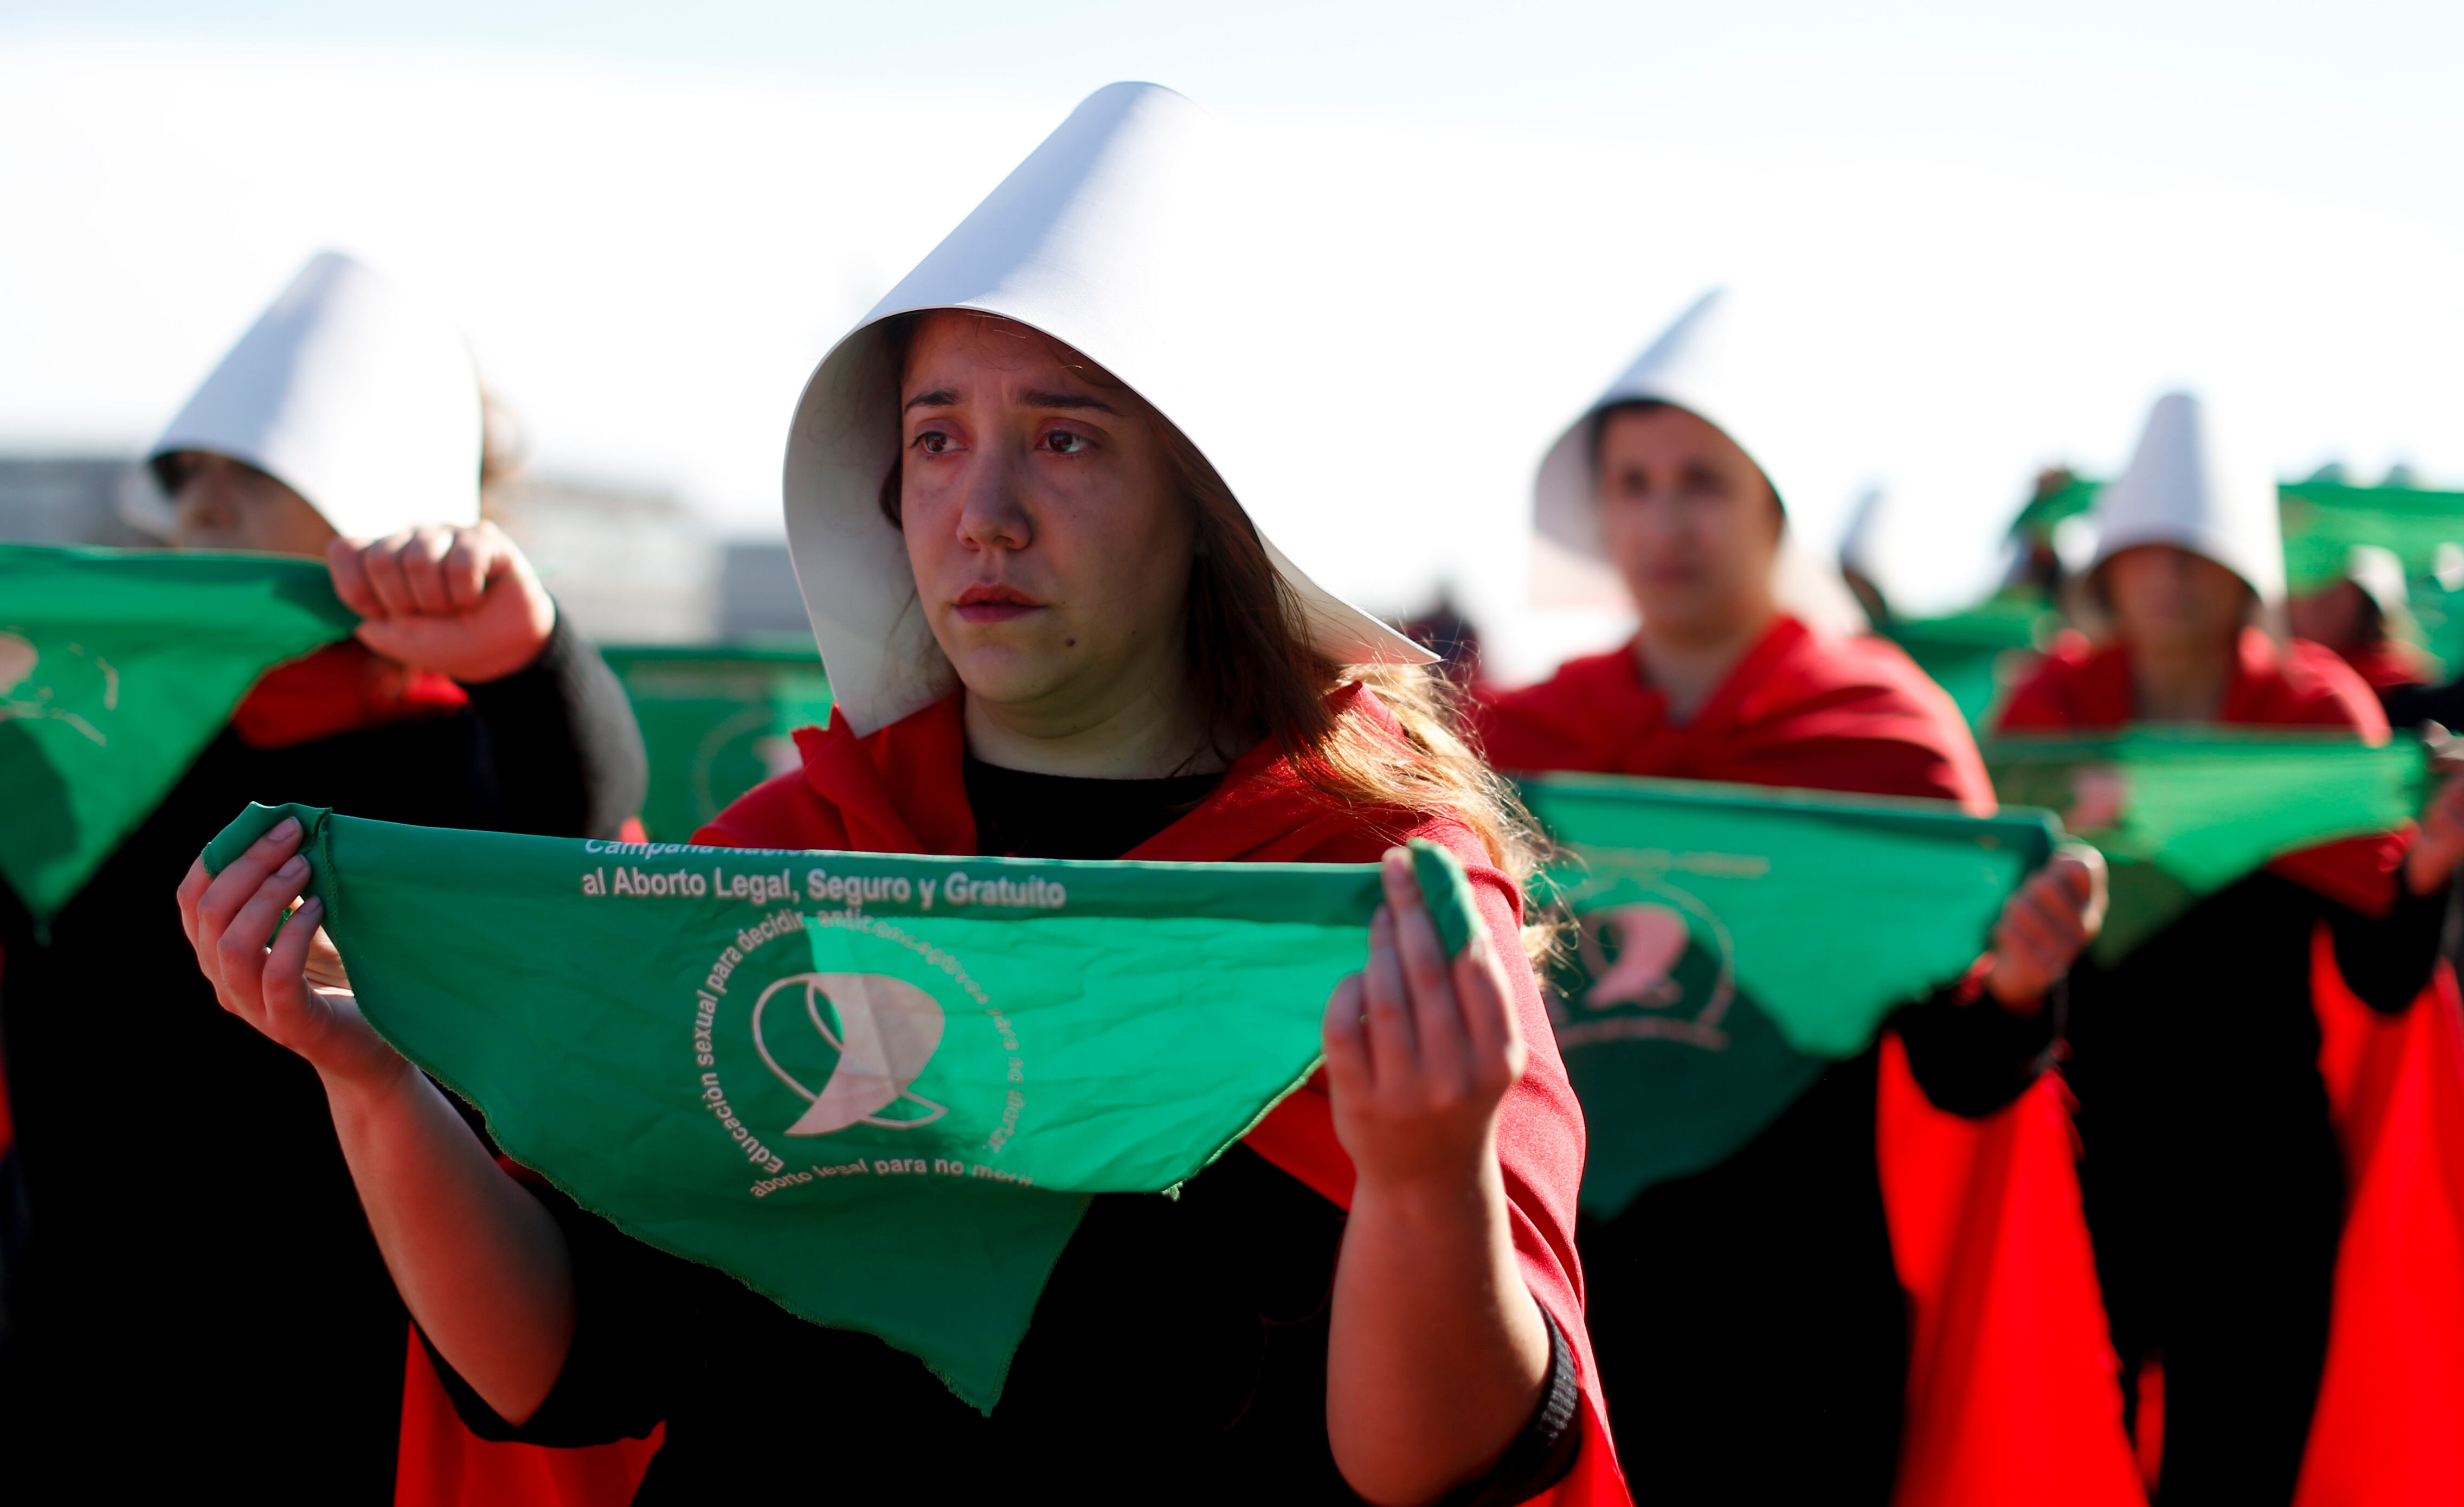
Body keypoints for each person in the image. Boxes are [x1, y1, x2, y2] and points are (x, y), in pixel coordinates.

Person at [175, 87, 1622, 1505]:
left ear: (1211, 509)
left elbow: (1447, 1463)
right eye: (935, 438)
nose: (982, 513)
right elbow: (569, 1362)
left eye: (1064, 437)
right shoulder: (782, 855)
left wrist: (1428, 1182)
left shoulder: (1368, 895)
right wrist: (370, 1078)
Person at [0, 251, 646, 1500]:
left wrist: (531, 657)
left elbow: (586, 837)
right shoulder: (84, 746)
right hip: (75, 1374)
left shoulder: (475, 750)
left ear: (384, 502)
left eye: (254, 477)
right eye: (192, 477)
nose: (203, 510)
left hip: (348, 1391)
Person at [1477, 289, 2118, 1505]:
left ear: (1772, 503)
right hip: (1560, 1288)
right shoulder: (1516, 744)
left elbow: (1957, 1071)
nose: (1663, 521)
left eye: (1701, 482)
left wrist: (2021, 986)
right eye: (1632, 483)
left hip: (1802, 1301)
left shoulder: (1879, 734)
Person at [1995, 392, 2464, 1505]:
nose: (2167, 576)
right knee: (2064, 1461)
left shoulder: (2314, 715)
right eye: (2144, 551)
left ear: (2243, 572)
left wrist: (2430, 867)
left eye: (2194, 552)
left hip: (2261, 1174)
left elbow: (2378, 974)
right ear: (2108, 569)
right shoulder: (2049, 711)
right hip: (2082, 1160)